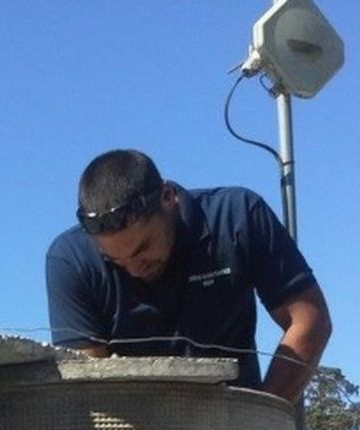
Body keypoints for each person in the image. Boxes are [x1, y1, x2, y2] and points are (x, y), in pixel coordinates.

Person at [45, 149, 331, 403]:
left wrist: (264, 419)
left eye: (143, 248)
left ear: (168, 198)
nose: (134, 268)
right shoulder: (71, 260)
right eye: (115, 260)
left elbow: (310, 320)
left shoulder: (238, 217)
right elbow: (87, 388)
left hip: (235, 428)